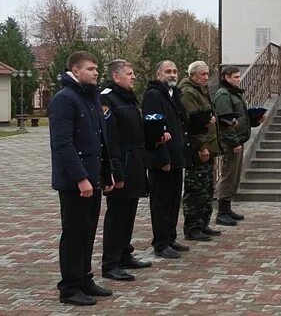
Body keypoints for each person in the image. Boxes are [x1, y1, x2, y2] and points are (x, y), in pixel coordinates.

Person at [49, 51, 114, 306]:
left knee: (88, 232)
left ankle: (84, 278)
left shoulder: (91, 98)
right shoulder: (64, 99)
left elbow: (101, 139)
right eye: (90, 68)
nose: (96, 72)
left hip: (94, 177)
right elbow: (63, 144)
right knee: (74, 233)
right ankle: (70, 287)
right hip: (75, 182)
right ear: (75, 71)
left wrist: (107, 172)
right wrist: (81, 178)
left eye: (97, 68)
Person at [100, 60, 151, 281]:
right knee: (117, 215)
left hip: (135, 162)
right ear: (115, 75)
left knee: (129, 212)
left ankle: (124, 253)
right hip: (122, 165)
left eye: (133, 73)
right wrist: (116, 172)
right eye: (129, 74)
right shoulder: (107, 98)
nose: (133, 77)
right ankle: (110, 263)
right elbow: (110, 140)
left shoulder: (128, 97)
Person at [143, 60, 192, 259]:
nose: (172, 75)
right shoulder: (153, 95)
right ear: (158, 74)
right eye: (168, 71)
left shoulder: (174, 94)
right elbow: (154, 129)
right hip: (162, 158)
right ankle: (161, 242)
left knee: (173, 200)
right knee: (161, 202)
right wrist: (163, 158)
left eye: (175, 71)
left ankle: (170, 237)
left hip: (176, 156)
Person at [179, 61, 224, 240]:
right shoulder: (188, 92)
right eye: (203, 74)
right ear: (193, 75)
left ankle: (203, 224)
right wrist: (202, 147)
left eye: (207, 74)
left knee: (206, 189)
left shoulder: (200, 91)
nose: (206, 77)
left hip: (208, 146)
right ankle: (192, 227)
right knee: (196, 189)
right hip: (198, 149)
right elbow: (195, 123)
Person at [214, 65, 257, 225]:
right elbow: (225, 122)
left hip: (239, 140)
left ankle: (228, 207)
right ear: (226, 77)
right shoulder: (223, 95)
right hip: (231, 142)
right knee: (228, 175)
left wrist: (254, 120)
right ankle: (222, 211)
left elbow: (240, 117)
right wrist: (234, 142)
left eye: (239, 76)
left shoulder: (234, 94)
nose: (239, 79)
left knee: (235, 176)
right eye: (236, 77)